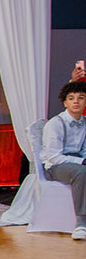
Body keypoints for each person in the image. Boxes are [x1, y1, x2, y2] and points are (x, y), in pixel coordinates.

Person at [42, 81, 86, 240]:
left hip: (77, 163)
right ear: (65, 102)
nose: (76, 101)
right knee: (81, 171)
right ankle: (81, 223)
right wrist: (81, 162)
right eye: (71, 98)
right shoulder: (56, 124)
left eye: (81, 98)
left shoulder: (85, 122)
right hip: (55, 167)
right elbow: (54, 157)